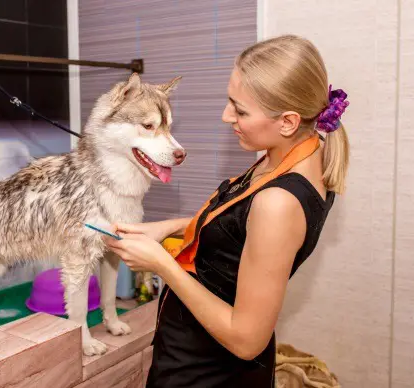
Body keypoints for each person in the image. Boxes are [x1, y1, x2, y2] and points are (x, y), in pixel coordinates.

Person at [105, 34, 350, 387]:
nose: (226, 116)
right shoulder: (298, 152)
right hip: (194, 357)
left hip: (210, 374)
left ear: (288, 121)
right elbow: (243, 228)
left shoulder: (279, 203)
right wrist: (169, 228)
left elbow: (246, 340)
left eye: (240, 109)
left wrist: (161, 264)